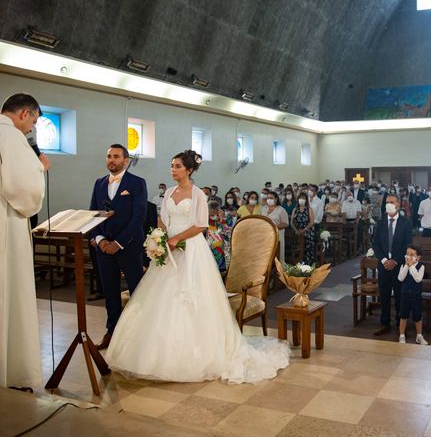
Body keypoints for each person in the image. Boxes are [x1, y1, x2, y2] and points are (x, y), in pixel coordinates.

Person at [105, 151, 289, 382]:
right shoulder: (169, 192)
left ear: (189, 170)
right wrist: (161, 238)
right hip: (168, 251)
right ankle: (153, 356)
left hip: (191, 250)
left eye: (178, 166)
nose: (173, 170)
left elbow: (201, 225)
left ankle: (196, 356)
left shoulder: (198, 195)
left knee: (189, 298)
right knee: (159, 300)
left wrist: (176, 239)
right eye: (171, 166)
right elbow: (162, 219)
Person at [0, 93, 48, 391]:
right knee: (11, 288)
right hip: (7, 222)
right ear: (24, 113)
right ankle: (14, 371)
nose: (31, 129)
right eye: (33, 121)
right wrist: (40, 168)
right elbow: (22, 188)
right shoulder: (11, 137)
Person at [90, 144, 147, 350]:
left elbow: (138, 217)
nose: (111, 160)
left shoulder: (137, 183)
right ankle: (112, 332)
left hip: (129, 246)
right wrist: (99, 239)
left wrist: (119, 243)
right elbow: (93, 214)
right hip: (104, 248)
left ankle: (139, 334)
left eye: (116, 156)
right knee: (111, 293)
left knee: (136, 292)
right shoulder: (99, 183)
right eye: (108, 156)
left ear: (126, 160)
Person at [371, 195, 413, 336]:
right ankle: (384, 323)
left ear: (398, 205)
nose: (389, 204)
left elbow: (407, 245)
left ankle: (400, 324)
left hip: (399, 264)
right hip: (383, 265)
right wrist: (384, 260)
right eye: (387, 202)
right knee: (384, 295)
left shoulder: (406, 223)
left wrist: (394, 260)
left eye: (392, 202)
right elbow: (375, 244)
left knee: (400, 296)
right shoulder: (380, 223)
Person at [397, 244, 429, 345]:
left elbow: (418, 279)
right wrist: (407, 266)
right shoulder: (403, 265)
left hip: (416, 296)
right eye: (407, 254)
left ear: (418, 257)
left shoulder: (421, 266)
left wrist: (411, 266)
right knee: (403, 316)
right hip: (405, 294)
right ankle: (402, 336)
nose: (408, 256)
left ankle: (419, 336)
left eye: (412, 254)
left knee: (417, 316)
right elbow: (400, 278)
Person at [261, 192, 289, 264]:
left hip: (277, 236)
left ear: (276, 199)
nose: (269, 200)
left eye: (271, 198)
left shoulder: (281, 209)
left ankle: (278, 272)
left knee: (277, 257)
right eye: (268, 198)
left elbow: (286, 223)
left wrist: (273, 226)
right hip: (265, 236)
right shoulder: (264, 209)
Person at [291, 192, 316, 264]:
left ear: (306, 200)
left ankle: (308, 264)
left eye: (303, 198)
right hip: (297, 231)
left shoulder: (309, 209)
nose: (301, 199)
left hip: (307, 231)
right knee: (295, 244)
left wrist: (304, 230)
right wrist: (296, 230)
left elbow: (311, 222)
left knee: (307, 247)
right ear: (298, 199)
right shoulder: (295, 209)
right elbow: (292, 222)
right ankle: (296, 264)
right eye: (300, 198)